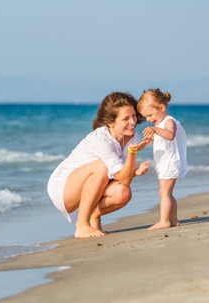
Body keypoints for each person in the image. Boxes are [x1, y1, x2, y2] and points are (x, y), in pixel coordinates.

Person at [47, 92, 150, 238]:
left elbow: (123, 179)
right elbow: (117, 173)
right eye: (126, 118)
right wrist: (132, 153)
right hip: (63, 189)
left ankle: (93, 215)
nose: (132, 122)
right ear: (110, 122)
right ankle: (81, 225)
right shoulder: (101, 139)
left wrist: (133, 171)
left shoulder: (132, 136)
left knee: (123, 193)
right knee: (102, 167)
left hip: (93, 184)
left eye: (133, 116)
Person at [137, 88, 188, 230]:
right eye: (145, 117)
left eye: (150, 115)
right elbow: (156, 139)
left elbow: (170, 135)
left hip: (170, 162)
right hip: (164, 162)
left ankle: (164, 221)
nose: (148, 119)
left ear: (161, 108)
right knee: (165, 192)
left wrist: (154, 130)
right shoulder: (158, 125)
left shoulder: (168, 121)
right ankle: (173, 220)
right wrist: (143, 143)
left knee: (164, 192)